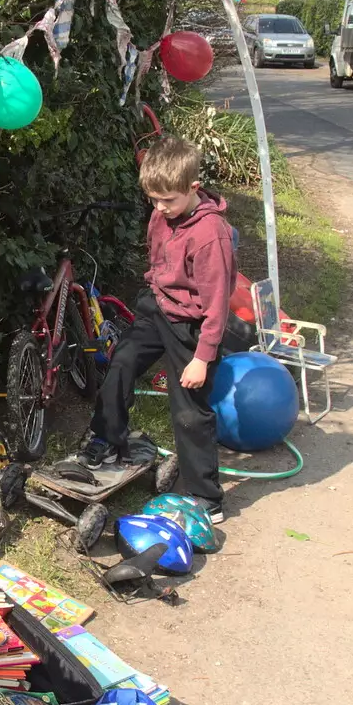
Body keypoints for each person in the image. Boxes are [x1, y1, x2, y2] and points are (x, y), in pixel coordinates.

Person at [83, 135, 234, 522]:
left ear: (193, 188)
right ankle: (107, 438)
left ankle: (206, 498)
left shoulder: (209, 234)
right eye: (153, 199)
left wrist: (202, 358)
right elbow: (159, 259)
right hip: (158, 309)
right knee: (120, 364)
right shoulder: (161, 213)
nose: (160, 208)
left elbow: (217, 304)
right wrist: (153, 288)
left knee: (188, 409)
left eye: (168, 200)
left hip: (193, 325)